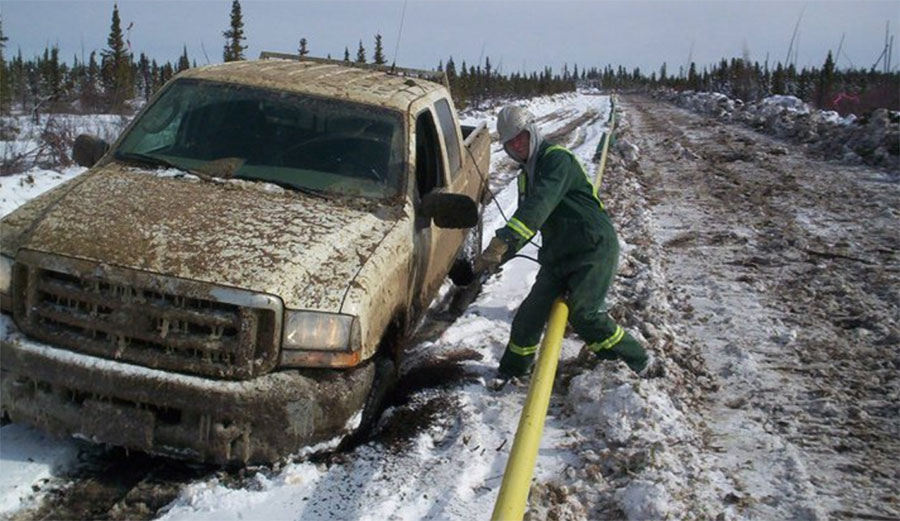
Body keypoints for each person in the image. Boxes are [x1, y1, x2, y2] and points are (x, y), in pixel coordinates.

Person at [474, 105, 650, 378]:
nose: (517, 145)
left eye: (521, 137)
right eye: (510, 142)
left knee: (584, 314)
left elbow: (537, 208)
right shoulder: (526, 177)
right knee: (527, 318)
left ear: (533, 132)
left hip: (592, 248)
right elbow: (526, 225)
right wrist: (494, 259)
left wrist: (501, 241)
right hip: (558, 256)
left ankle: (637, 363)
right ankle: (511, 372)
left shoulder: (557, 160)